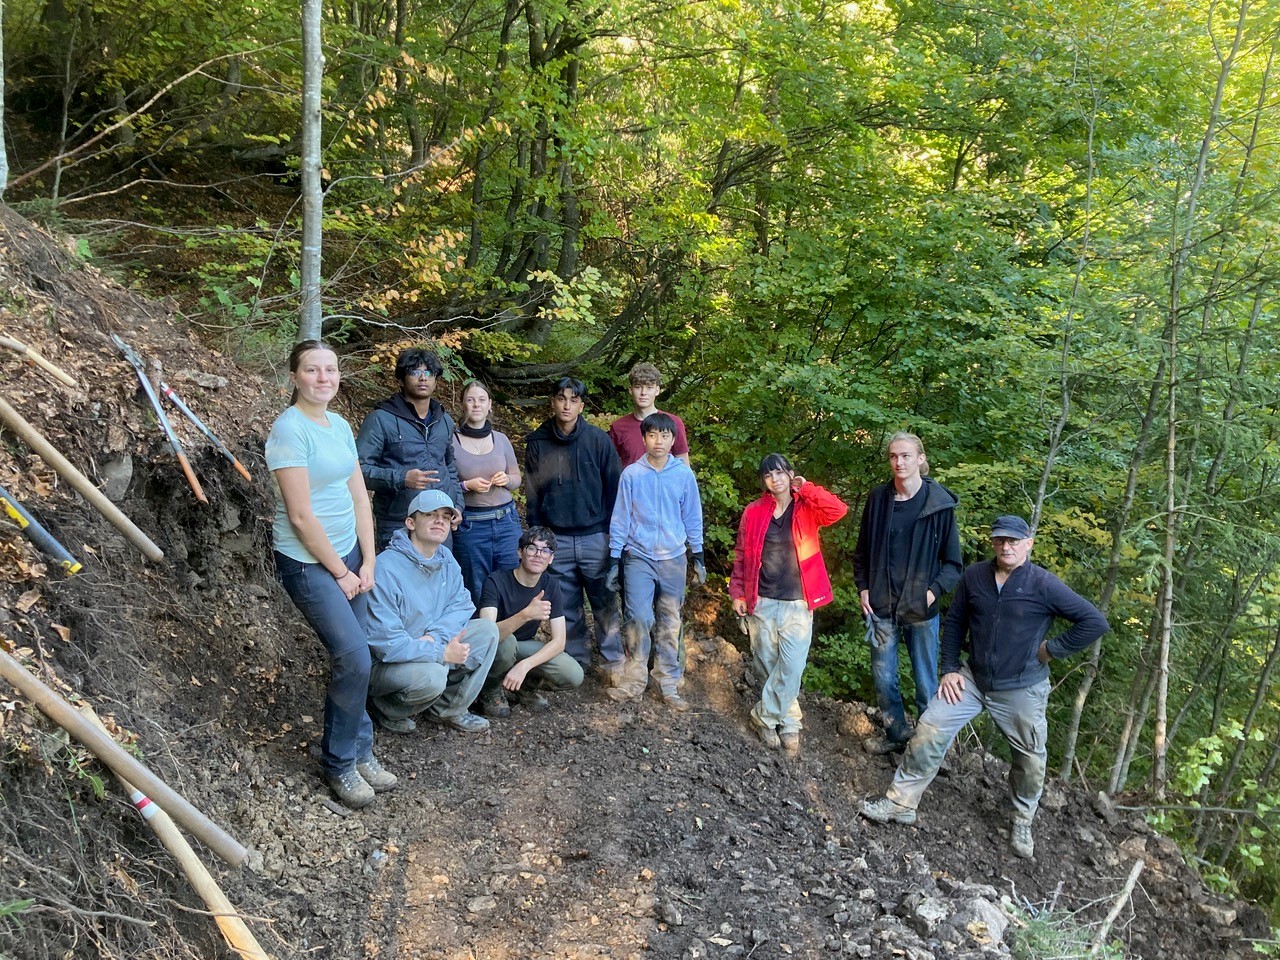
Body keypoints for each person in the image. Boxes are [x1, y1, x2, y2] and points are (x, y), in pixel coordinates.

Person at [860, 515, 1109, 859]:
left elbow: (1094, 622)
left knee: (1030, 759)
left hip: (1021, 687)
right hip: (972, 679)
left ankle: (1022, 818)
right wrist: (948, 668)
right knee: (931, 726)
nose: (1006, 546)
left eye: (1013, 541)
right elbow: (955, 623)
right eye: (1000, 540)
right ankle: (901, 802)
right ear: (993, 542)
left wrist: (1052, 650)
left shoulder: (1043, 584)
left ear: (1028, 543)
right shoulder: (974, 576)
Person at [266, 339, 395, 810]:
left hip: (350, 556)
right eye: (313, 370)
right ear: (295, 377)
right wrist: (341, 572)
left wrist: (370, 559)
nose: (324, 378)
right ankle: (340, 763)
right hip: (307, 562)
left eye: (331, 370)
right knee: (354, 658)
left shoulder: (339, 425)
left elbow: (360, 498)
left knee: (358, 657)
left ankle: (362, 750)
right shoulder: (289, 431)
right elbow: (300, 516)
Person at [853, 431, 963, 755]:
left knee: (927, 685)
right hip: (881, 607)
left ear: (920, 459)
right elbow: (861, 552)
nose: (899, 462)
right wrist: (863, 588)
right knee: (884, 679)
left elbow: (953, 564)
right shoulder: (878, 499)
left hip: (921, 611)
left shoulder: (938, 505)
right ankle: (896, 734)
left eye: (905, 456)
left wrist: (931, 593)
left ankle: (929, 750)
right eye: (893, 456)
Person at [730, 454, 848, 754]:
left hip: (798, 601)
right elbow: (743, 553)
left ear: (790, 475)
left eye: (781, 473)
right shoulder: (754, 511)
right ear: (764, 481)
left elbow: (837, 510)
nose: (775, 480)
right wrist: (738, 593)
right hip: (763, 600)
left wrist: (806, 488)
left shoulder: (806, 506)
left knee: (792, 666)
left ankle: (764, 716)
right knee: (767, 665)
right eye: (769, 475)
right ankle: (791, 721)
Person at [364, 489, 500, 734]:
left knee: (486, 631)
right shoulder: (385, 567)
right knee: (434, 675)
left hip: (431, 645)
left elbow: (462, 606)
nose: (440, 521)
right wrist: (440, 652)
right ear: (410, 522)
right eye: (430, 514)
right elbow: (386, 645)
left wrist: (437, 639)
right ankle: (388, 709)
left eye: (446, 517)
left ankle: (448, 709)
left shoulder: (445, 557)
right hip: (389, 665)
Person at [524, 377, 624, 680]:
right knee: (566, 604)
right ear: (552, 402)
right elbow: (532, 491)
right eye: (561, 398)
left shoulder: (598, 440)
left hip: (595, 535)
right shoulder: (538, 442)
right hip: (557, 538)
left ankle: (613, 661)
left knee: (604, 600)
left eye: (573, 399)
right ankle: (576, 659)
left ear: (581, 405)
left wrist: (610, 532)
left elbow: (614, 487)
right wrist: (538, 534)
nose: (566, 405)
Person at [604, 413, 705, 710]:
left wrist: (697, 555)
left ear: (673, 441)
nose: (658, 441)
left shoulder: (683, 475)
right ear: (644, 438)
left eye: (664, 436)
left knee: (670, 620)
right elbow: (621, 518)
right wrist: (614, 559)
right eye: (652, 435)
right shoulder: (632, 475)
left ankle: (668, 681)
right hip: (638, 555)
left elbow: (692, 516)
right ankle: (634, 679)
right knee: (637, 617)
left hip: (674, 557)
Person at [356, 346, 464, 552]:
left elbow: (449, 466)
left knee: (438, 581)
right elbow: (357, 469)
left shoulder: (444, 420)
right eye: (415, 372)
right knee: (399, 581)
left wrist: (457, 505)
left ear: (436, 379)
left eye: (428, 373)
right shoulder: (381, 419)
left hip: (439, 519)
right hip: (398, 521)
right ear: (402, 378)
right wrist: (401, 478)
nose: (422, 378)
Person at [476, 526, 585, 716]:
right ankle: (490, 691)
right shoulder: (496, 581)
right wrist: (526, 614)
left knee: (573, 674)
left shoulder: (550, 584)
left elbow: (559, 641)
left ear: (551, 558)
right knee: (507, 644)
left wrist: (525, 666)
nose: (538, 555)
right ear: (520, 552)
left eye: (545, 550)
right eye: (532, 548)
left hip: (523, 647)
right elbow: (487, 634)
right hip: (495, 648)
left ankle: (523, 686)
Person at [451, 380, 522, 604]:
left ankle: (512, 635)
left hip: (507, 522)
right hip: (471, 525)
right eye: (470, 400)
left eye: (482, 400)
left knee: (511, 581)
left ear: (490, 404)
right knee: (475, 586)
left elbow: (517, 477)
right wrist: (466, 486)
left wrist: (507, 479)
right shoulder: (451, 441)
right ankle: (481, 635)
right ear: (463, 404)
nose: (476, 405)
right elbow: (445, 483)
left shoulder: (500, 439)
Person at [608, 362, 690, 467]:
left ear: (657, 390)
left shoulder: (673, 422)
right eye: (638, 387)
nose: (643, 392)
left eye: (649, 387)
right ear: (630, 390)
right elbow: (612, 466)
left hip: (665, 482)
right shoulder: (619, 427)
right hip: (632, 482)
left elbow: (684, 465)